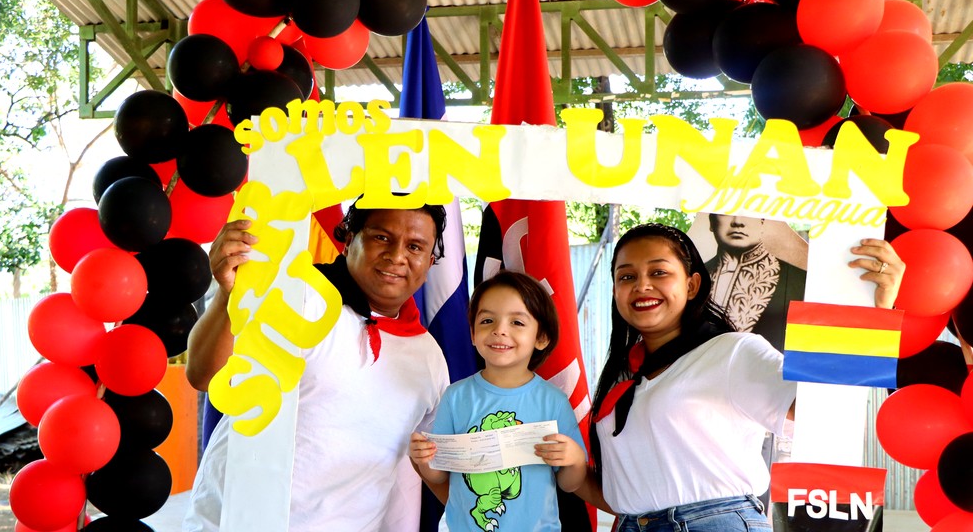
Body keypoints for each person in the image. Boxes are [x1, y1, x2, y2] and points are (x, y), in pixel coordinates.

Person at [574, 223, 904, 532]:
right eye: (626, 276)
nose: (642, 285)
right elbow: (629, 496)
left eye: (658, 272)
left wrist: (877, 313)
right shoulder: (622, 376)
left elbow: (819, 409)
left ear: (691, 285)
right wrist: (571, 474)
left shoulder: (732, 352)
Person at [183, 199, 452, 532]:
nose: (397, 256)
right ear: (349, 237)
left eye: (415, 246)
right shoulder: (293, 296)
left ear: (430, 262)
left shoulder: (429, 358)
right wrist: (229, 295)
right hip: (231, 523)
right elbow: (204, 375)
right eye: (381, 237)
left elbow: (419, 469)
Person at [408, 271, 588, 532]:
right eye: (487, 320)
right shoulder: (455, 397)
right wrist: (425, 460)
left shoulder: (554, 401)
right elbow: (438, 475)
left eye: (517, 322)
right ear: (472, 334)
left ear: (541, 338)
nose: (499, 330)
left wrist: (573, 459)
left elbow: (571, 484)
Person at [703, 214, 807, 353]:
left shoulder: (801, 281)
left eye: (749, 214)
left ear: (762, 222)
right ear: (711, 221)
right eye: (726, 212)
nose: (738, 222)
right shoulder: (690, 279)